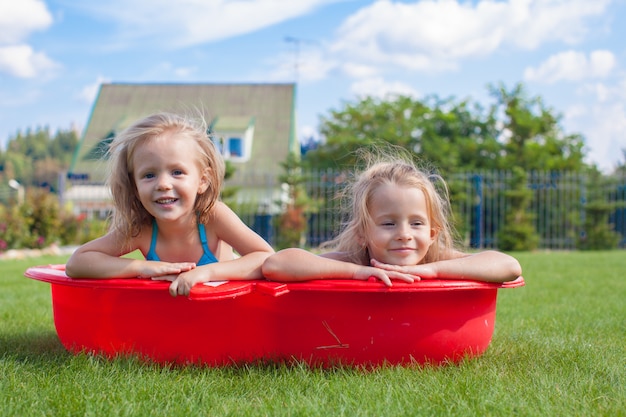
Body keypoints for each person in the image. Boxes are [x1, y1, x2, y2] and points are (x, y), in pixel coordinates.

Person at [66, 112, 274, 296]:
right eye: (149, 175)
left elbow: (265, 257)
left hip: (224, 316)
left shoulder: (212, 217)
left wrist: (206, 272)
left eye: (177, 172)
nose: (163, 184)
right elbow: (77, 262)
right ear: (134, 186)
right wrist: (142, 267)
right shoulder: (142, 229)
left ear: (202, 180)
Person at [262, 151, 522, 287]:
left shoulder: (435, 258)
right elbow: (276, 264)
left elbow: (509, 266)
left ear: (433, 233)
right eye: (389, 223)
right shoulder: (356, 259)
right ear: (362, 232)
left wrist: (431, 270)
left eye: (417, 223)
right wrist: (359, 272)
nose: (404, 234)